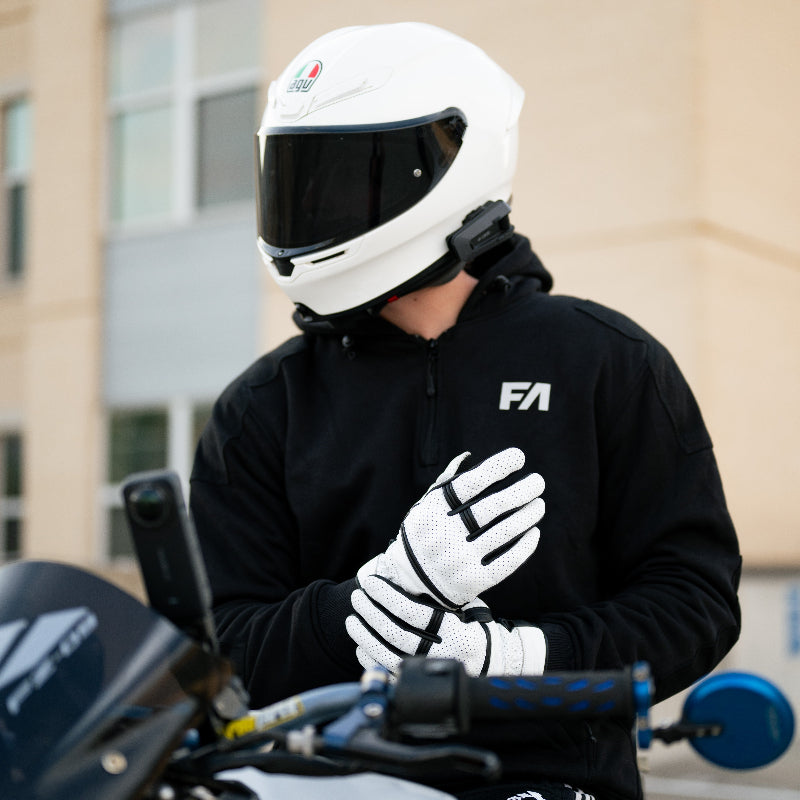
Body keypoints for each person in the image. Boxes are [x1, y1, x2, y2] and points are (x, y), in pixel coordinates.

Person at [190, 22, 741, 800]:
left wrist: (513, 660)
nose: (318, 205)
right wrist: (371, 605)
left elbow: (693, 600)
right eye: (299, 178)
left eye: (352, 175)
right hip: (325, 783)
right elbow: (223, 645)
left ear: (455, 159)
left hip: (556, 781)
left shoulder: (604, 361)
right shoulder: (261, 407)